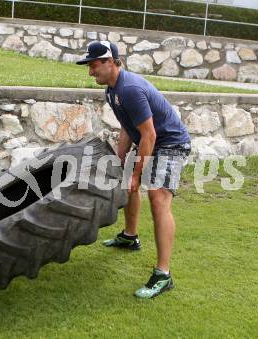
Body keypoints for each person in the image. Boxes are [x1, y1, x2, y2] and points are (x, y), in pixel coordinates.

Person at [76, 41, 191, 299]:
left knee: (158, 198)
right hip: (150, 140)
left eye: (93, 65)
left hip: (171, 143)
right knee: (126, 182)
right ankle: (130, 237)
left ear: (110, 61)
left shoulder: (129, 89)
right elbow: (129, 127)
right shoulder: (112, 90)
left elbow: (148, 134)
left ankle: (163, 275)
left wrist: (137, 173)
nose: (90, 72)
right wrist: (119, 160)